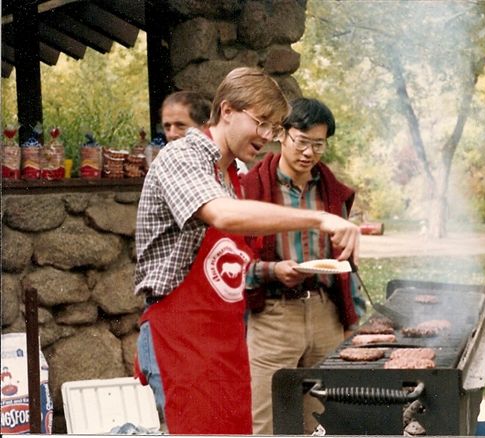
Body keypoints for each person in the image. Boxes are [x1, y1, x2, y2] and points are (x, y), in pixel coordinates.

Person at [133, 68, 360, 435]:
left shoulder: (232, 176)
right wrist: (319, 219)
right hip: (179, 336)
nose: (268, 137)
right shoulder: (182, 157)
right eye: (262, 123)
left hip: (225, 339)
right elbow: (222, 215)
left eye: (273, 128)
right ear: (227, 111)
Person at [242, 97, 366, 435]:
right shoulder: (251, 188)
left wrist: (351, 319)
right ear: (282, 135)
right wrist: (273, 271)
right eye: (302, 141)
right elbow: (235, 262)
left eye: (318, 145)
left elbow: (347, 262)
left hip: (326, 313)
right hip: (273, 315)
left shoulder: (332, 191)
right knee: (265, 419)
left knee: (324, 418)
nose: (309, 153)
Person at [160, 90, 249, 173]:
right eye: (167, 127)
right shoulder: (163, 166)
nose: (171, 134)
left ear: (206, 128)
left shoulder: (231, 164)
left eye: (180, 126)